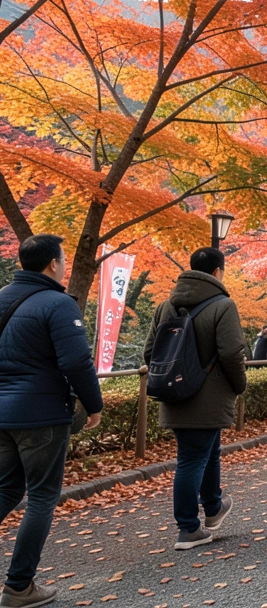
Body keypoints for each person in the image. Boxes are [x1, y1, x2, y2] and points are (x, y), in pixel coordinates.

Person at [0, 234, 104, 608]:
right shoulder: (58, 304)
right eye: (62, 259)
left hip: (2, 413)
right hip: (41, 415)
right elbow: (75, 361)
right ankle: (19, 587)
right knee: (42, 496)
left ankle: (19, 585)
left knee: (6, 490)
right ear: (52, 264)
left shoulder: (1, 296)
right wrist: (94, 406)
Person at [142, 247, 247, 550]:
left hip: (174, 394)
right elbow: (231, 352)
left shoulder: (165, 306)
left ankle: (213, 507)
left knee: (206, 452)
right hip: (209, 396)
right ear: (217, 272)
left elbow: (150, 352)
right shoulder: (223, 305)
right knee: (191, 459)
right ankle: (188, 528)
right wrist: (239, 385)